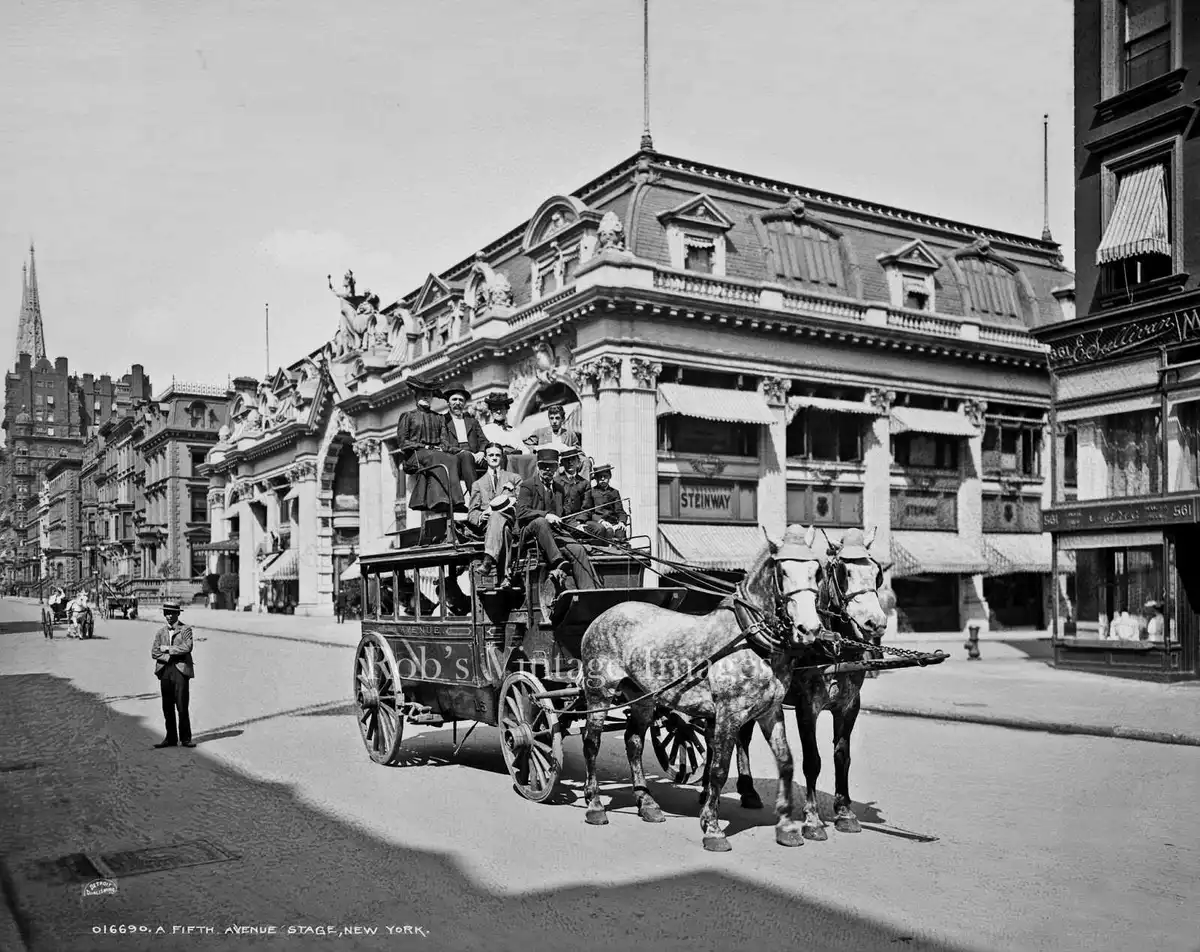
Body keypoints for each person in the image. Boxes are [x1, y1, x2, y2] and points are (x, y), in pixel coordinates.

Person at [516, 447, 599, 592]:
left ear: (556, 468)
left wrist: (578, 524)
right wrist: (545, 515)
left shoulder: (559, 488)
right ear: (538, 467)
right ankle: (558, 561)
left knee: (578, 549)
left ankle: (588, 592)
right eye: (543, 466)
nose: (547, 470)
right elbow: (521, 512)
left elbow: (564, 515)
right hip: (531, 532)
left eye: (551, 466)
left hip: (554, 533)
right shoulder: (527, 485)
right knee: (541, 522)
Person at [395, 375, 465, 523]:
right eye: (423, 394)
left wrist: (459, 451)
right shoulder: (407, 416)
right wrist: (424, 446)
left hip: (434, 454)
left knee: (451, 458)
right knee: (435, 456)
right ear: (416, 396)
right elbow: (403, 443)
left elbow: (445, 443)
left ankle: (456, 501)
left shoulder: (439, 418)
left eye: (429, 395)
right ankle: (438, 500)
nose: (426, 397)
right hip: (414, 457)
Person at [468, 443, 523, 583]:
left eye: (497, 455)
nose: (494, 458)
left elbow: (522, 502)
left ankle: (487, 560)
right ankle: (505, 577)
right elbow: (472, 512)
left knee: (499, 517)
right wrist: (480, 516)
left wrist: (513, 495)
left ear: (502, 457)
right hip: (490, 526)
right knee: (502, 529)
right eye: (491, 455)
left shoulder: (514, 478)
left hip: (511, 519)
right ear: (485, 458)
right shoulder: (478, 484)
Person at [151, 600, 195, 749]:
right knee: (167, 706)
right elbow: (154, 652)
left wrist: (168, 649)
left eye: (171, 613)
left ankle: (186, 738)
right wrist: (169, 656)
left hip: (181, 671)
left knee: (182, 706)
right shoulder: (160, 632)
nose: (168, 616)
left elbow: (187, 647)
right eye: (166, 613)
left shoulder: (185, 629)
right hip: (165, 671)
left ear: (177, 613)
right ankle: (170, 738)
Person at [441, 386, 488, 489]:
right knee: (467, 457)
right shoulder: (443, 420)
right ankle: (475, 498)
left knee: (499, 458)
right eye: (454, 399)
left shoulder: (472, 421)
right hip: (454, 458)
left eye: (461, 400)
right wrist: (465, 453)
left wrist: (481, 452)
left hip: (477, 457)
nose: (458, 403)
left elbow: (484, 441)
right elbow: (444, 445)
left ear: (464, 403)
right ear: (448, 403)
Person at [480, 392, 532, 477]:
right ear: (491, 411)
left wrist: (525, 455)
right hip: (498, 461)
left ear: (506, 410)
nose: (499, 411)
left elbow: (523, 449)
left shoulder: (514, 431)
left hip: (515, 460)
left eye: (501, 408)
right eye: (495, 409)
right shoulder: (486, 429)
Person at [579, 463, 628, 541]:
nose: (602, 479)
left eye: (605, 476)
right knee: (607, 531)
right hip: (598, 522)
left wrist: (622, 522)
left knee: (620, 533)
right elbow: (588, 511)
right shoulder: (591, 492)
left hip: (613, 523)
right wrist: (600, 521)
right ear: (596, 478)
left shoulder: (614, 492)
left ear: (610, 476)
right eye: (599, 477)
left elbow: (620, 511)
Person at [556, 446, 590, 518]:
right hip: (562, 520)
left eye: (573, 459)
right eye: (567, 460)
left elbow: (587, 507)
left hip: (580, 520)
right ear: (562, 463)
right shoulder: (556, 482)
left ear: (578, 461)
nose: (570, 462)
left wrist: (580, 521)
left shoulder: (584, 483)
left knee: (599, 529)